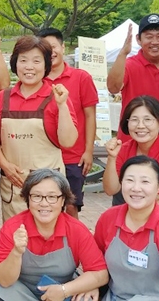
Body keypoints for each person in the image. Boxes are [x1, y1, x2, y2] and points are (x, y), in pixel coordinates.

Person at [0, 35, 78, 222]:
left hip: (48, 189)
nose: (29, 67)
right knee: (15, 239)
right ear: (15, 64)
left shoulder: (58, 96)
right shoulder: (2, 99)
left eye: (36, 61)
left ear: (46, 65)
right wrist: (4, 165)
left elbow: (68, 142)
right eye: (23, 60)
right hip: (14, 186)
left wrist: (62, 106)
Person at [0, 169, 108, 301]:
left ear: (63, 200)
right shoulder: (13, 228)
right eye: (37, 196)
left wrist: (64, 290)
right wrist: (16, 252)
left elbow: (100, 273)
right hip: (20, 291)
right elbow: (4, 281)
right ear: (28, 198)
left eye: (52, 197)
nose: (44, 203)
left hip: (62, 290)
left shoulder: (76, 230)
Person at [36, 28, 98, 218]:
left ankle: (72, 246)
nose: (51, 52)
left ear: (62, 47)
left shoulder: (81, 77)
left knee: (71, 207)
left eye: (54, 47)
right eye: (45, 48)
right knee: (43, 208)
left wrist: (88, 151)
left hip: (73, 157)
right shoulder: (36, 80)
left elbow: (90, 116)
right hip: (44, 157)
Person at [95, 156, 159, 300]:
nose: (136, 188)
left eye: (145, 181)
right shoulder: (109, 218)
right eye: (130, 180)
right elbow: (96, 263)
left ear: (158, 187)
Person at [107, 13, 159, 142]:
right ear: (138, 39)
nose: (155, 42)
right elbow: (113, 88)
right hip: (131, 142)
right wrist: (123, 53)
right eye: (149, 37)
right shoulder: (129, 65)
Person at [103, 95, 159, 207]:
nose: (140, 126)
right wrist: (112, 158)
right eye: (134, 120)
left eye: (147, 120)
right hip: (130, 206)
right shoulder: (124, 149)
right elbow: (110, 190)